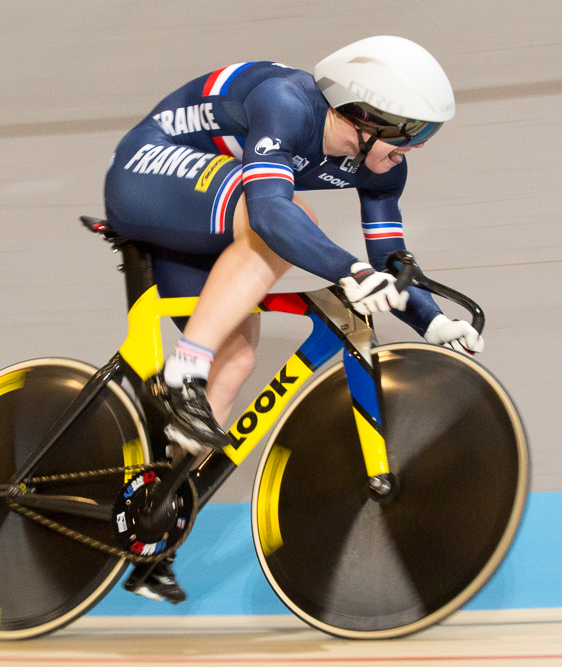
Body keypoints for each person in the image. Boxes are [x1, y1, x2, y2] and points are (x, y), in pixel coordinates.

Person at [103, 35, 483, 603]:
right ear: (364, 114)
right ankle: (182, 371)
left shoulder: (383, 168)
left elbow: (390, 264)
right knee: (283, 218)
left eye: (427, 132)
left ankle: (154, 528)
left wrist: (432, 322)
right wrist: (349, 271)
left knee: (236, 361)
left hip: (208, 197)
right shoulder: (286, 102)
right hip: (149, 166)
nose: (417, 146)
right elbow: (270, 214)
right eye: (411, 130)